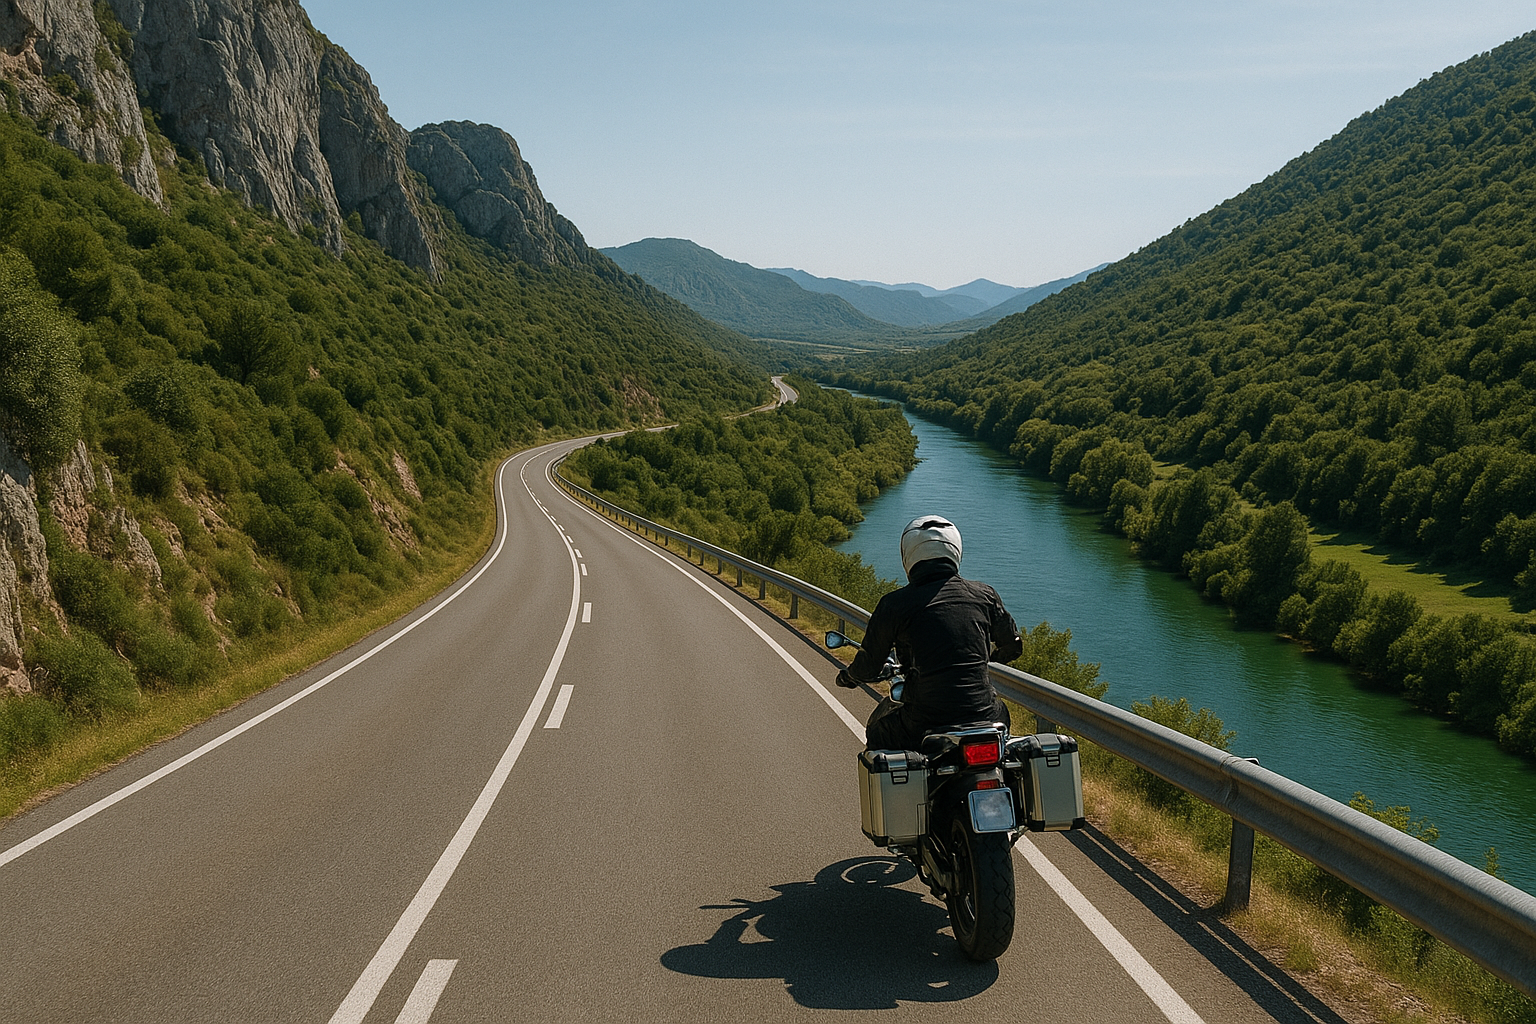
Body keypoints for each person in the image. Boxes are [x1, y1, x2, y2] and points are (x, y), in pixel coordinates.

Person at [836, 515, 1023, 751]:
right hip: (986, 714)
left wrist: (849, 677)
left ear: (908, 554)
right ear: (956, 551)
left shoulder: (894, 604)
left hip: (925, 721)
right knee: (1005, 740)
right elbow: (1013, 647)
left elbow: (869, 665)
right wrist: (982, 659)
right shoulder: (985, 595)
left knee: (877, 731)